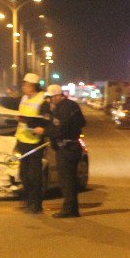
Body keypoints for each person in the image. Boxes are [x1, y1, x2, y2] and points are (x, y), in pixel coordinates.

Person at [41, 84, 87, 218]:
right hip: (72, 146)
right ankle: (73, 209)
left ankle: (69, 210)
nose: (49, 100)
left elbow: (60, 128)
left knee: (66, 180)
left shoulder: (63, 108)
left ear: (57, 96)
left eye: (50, 98)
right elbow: (82, 122)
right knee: (70, 179)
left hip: (67, 147)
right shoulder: (71, 105)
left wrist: (46, 131)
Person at [15, 73, 48, 214]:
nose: (23, 87)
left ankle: (36, 204)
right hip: (22, 140)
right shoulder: (23, 98)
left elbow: (45, 120)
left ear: (32, 86)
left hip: (35, 142)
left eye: (25, 85)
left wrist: (30, 122)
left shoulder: (42, 100)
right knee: (23, 174)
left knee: (34, 175)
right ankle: (28, 201)